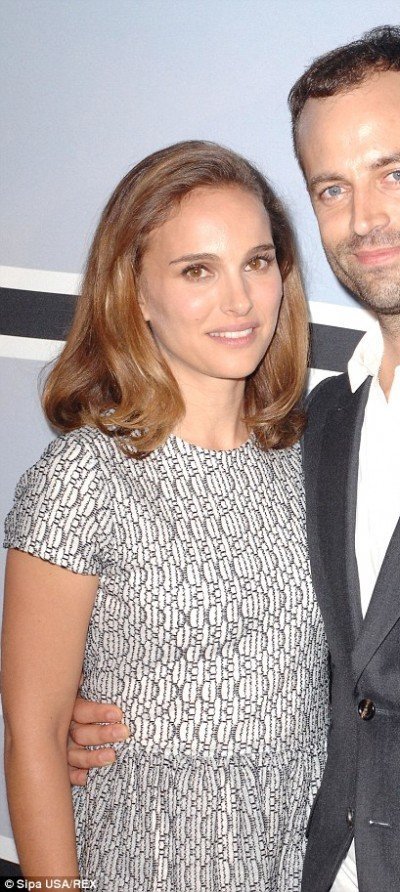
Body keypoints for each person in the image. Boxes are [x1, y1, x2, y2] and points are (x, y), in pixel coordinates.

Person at [67, 25, 400, 892]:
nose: (364, 219)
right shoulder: (319, 421)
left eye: (395, 173)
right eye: (333, 187)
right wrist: (104, 711)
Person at [2, 140, 329, 890]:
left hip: (296, 867)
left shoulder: (315, 462)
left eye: (256, 262)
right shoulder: (83, 478)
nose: (239, 301)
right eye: (196, 271)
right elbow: (34, 735)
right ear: (135, 293)